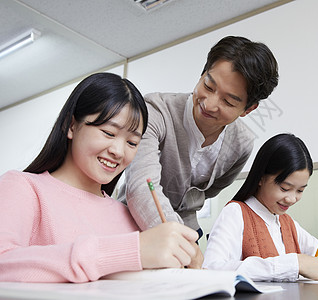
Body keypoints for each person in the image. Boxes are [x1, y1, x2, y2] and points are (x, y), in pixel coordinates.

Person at [0, 73, 198, 283]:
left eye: (132, 143)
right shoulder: (23, 188)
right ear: (71, 125)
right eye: (109, 133)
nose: (119, 151)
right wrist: (130, 250)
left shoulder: (128, 214)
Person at [118, 36, 279, 238]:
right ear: (202, 74)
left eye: (228, 102)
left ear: (249, 109)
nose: (209, 105)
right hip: (131, 224)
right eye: (208, 86)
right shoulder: (154, 111)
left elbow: (209, 191)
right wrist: (178, 240)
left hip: (188, 230)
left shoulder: (241, 144)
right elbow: (141, 187)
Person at [202, 133, 318, 282]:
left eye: (300, 190)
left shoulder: (288, 223)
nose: (292, 199)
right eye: (284, 188)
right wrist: (293, 265)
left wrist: (308, 269)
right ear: (261, 178)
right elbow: (212, 268)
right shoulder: (236, 212)